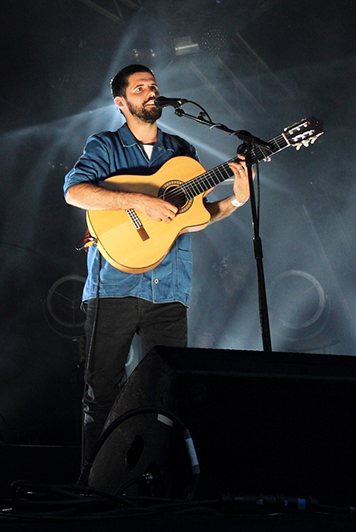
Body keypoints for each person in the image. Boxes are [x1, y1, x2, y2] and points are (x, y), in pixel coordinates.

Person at [63, 64, 251, 481]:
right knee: (102, 392)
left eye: (154, 85)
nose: (151, 91)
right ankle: (93, 487)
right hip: (113, 284)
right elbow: (75, 191)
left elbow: (194, 219)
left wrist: (236, 200)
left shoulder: (182, 153)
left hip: (169, 289)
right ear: (121, 102)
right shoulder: (105, 145)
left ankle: (156, 484)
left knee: (166, 394)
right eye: (140, 87)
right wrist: (139, 201)